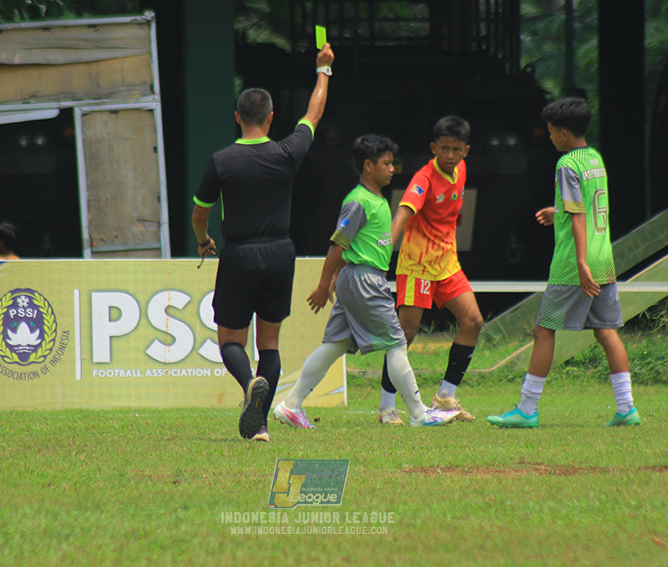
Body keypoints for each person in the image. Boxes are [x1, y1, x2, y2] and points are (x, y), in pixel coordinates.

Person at [191, 44, 335, 443]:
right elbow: (313, 114)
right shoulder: (288, 152)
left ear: (237, 118)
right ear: (271, 118)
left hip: (239, 254)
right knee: (268, 342)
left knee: (230, 339)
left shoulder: (221, 161)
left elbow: (200, 214)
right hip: (279, 253)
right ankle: (260, 425)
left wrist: (204, 241)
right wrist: (323, 70)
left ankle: (248, 385)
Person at [272, 135, 461, 430]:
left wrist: (337, 280)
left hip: (355, 280)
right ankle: (419, 413)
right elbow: (337, 246)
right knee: (397, 343)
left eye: (392, 163)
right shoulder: (359, 202)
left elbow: (352, 247)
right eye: (386, 164)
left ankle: (290, 405)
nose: (392, 169)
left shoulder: (376, 200)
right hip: (366, 282)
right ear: (368, 166)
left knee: (335, 345)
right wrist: (324, 284)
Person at [486, 97, 640, 428]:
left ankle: (526, 410)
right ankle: (627, 409)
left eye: (552, 132)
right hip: (604, 259)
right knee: (606, 332)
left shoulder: (566, 164)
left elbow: (580, 213)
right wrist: (558, 213)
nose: (550, 137)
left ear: (565, 133)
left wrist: (580, 261)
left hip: (574, 264)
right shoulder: (594, 158)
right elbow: (588, 206)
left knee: (543, 331)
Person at [378, 115, 484, 425]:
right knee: (405, 336)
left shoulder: (461, 168)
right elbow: (402, 213)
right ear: (433, 148)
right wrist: (384, 252)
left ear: (466, 150)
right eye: (444, 149)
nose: (450, 156)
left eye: (456, 150)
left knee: (473, 321)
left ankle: (445, 396)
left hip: (447, 263)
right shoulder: (424, 178)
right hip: (417, 265)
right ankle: (387, 407)